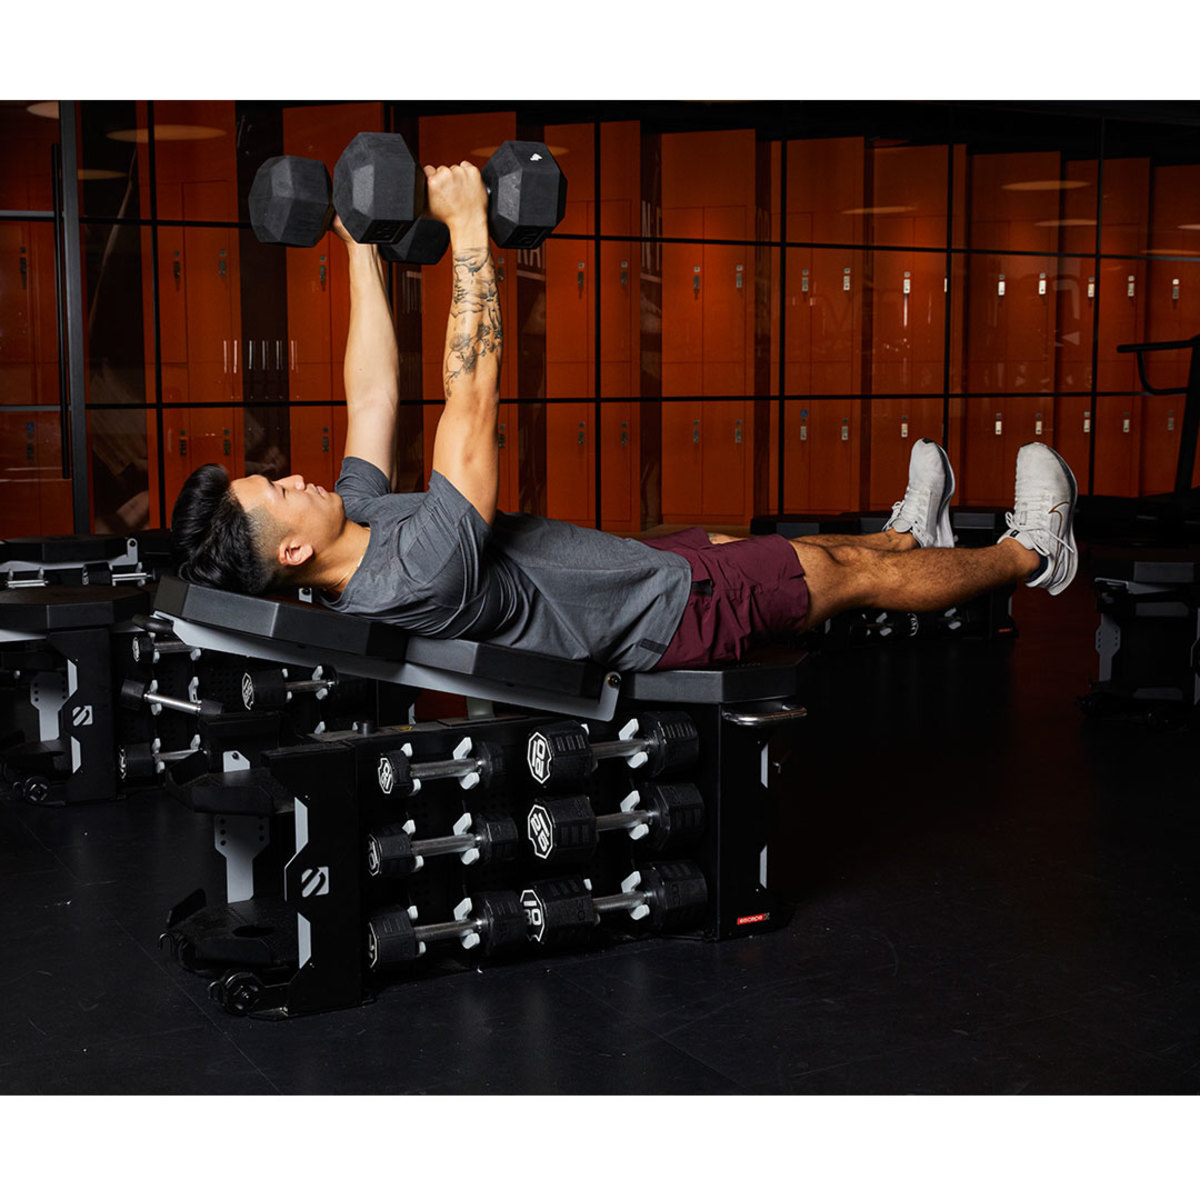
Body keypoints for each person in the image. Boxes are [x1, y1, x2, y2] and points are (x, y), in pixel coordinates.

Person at [170, 158, 1079, 674]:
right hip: (660, 616)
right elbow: (471, 398)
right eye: (279, 489)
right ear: (292, 551)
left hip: (632, 572)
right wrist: (473, 232)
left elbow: (372, 397)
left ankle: (909, 535)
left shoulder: (355, 525)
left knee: (816, 554)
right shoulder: (412, 573)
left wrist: (361, 248)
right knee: (840, 577)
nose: (294, 473)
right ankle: (1034, 554)